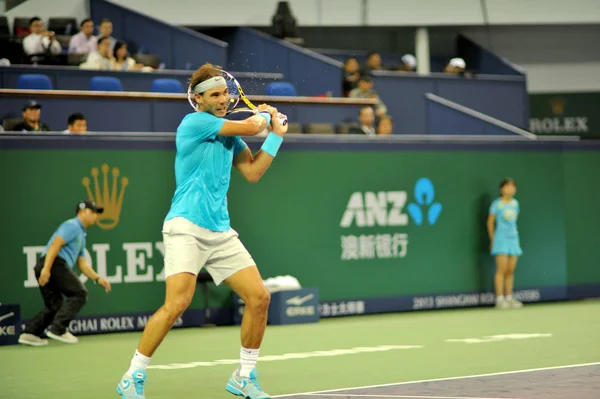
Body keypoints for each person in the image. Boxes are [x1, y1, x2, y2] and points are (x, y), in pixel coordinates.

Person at [115, 62, 288, 399]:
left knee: (259, 298)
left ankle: (244, 375)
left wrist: (276, 139)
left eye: (226, 92)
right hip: (185, 226)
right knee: (177, 304)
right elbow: (253, 126)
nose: (224, 99)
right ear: (198, 98)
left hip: (220, 230)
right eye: (215, 94)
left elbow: (253, 172)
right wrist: (265, 117)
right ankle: (132, 375)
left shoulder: (228, 134)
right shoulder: (193, 123)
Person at [18, 200, 111, 347]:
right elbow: (56, 244)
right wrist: (47, 269)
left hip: (46, 264)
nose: (95, 216)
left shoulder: (81, 233)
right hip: (53, 263)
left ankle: (30, 333)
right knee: (80, 293)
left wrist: (97, 278)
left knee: (54, 305)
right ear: (82, 211)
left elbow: (82, 263)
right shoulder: (73, 226)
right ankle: (58, 329)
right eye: (92, 212)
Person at [487, 178, 523, 309]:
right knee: (501, 270)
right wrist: (493, 240)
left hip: (513, 239)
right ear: (501, 189)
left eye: (513, 186)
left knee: (510, 270)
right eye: (508, 186)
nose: (511, 189)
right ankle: (500, 299)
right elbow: (490, 222)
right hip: (501, 239)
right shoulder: (497, 204)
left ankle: (509, 297)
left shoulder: (515, 204)